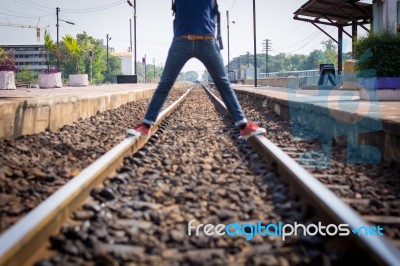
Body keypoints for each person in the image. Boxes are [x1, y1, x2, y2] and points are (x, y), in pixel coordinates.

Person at [127, 0, 266, 139]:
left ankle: (243, 126)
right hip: (182, 41)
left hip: (207, 41)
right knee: (165, 83)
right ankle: (146, 126)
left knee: (223, 84)